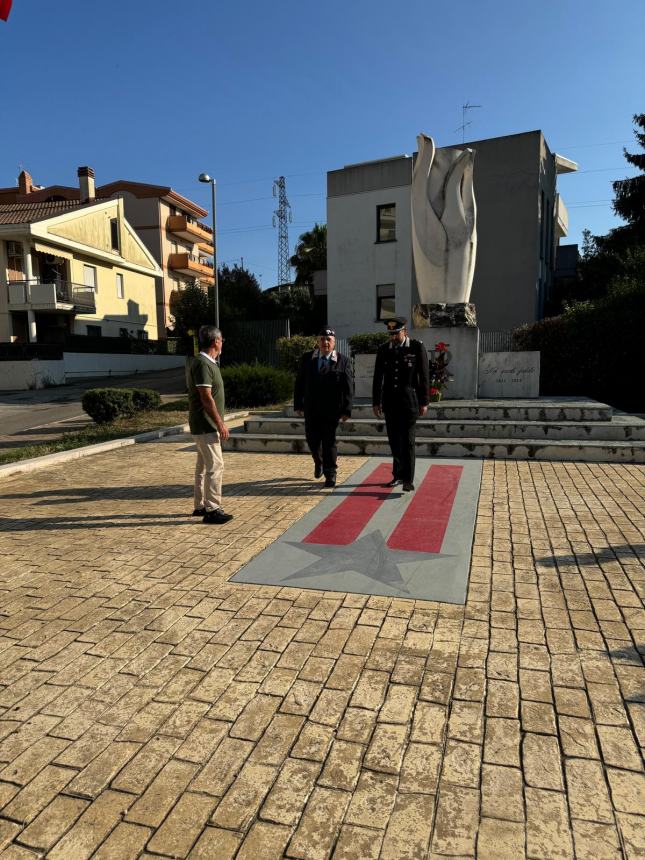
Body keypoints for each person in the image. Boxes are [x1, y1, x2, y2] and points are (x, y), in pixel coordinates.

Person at [372, 316, 429, 492]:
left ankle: (408, 479)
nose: (393, 337)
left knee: (408, 441)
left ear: (404, 331)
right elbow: (378, 378)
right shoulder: (383, 350)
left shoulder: (416, 347)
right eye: (391, 334)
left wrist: (424, 401)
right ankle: (397, 475)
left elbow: (423, 376)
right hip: (390, 403)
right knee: (394, 441)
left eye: (396, 333)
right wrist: (376, 402)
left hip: (409, 402)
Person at [294, 326, 353, 488]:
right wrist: (298, 403)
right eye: (322, 339)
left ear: (334, 343)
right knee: (312, 440)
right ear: (317, 342)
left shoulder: (343, 361)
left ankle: (330, 474)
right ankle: (318, 461)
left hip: (332, 410)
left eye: (329, 340)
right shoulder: (307, 359)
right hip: (311, 409)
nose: (325, 342)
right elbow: (299, 383)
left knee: (329, 442)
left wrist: (347, 409)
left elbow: (348, 387)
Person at [186, 324, 233, 524]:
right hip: (206, 425)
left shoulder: (206, 363)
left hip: (202, 425)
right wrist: (220, 424)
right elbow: (206, 398)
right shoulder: (203, 364)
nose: (222, 344)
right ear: (215, 341)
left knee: (203, 466)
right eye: (221, 340)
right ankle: (212, 509)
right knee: (216, 465)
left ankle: (200, 505)